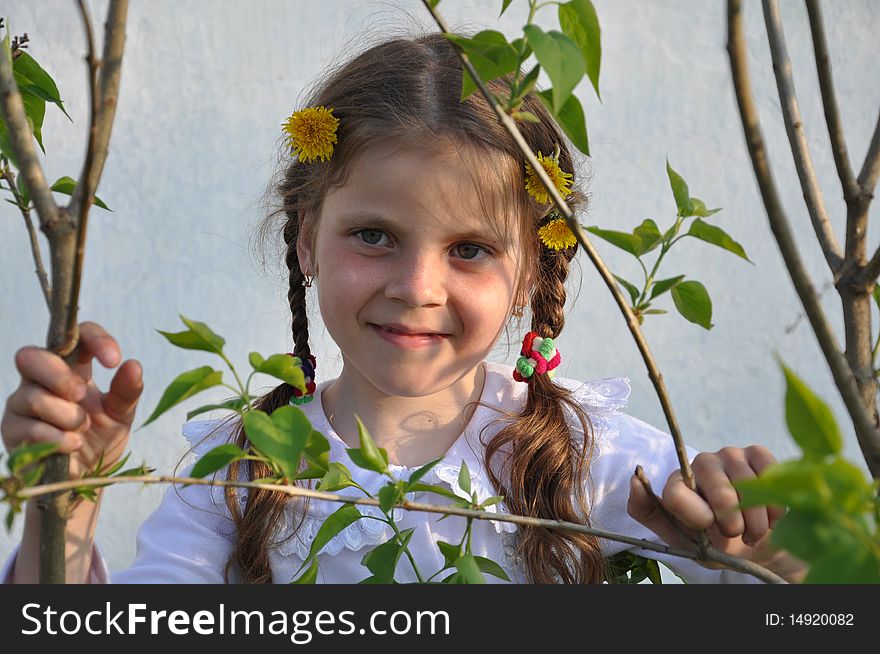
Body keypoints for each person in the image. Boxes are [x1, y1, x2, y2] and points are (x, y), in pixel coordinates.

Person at [1, 33, 805, 584]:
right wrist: (64, 503)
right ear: (309, 238)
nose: (418, 286)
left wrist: (770, 564)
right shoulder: (237, 472)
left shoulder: (593, 462)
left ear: (531, 270)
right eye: (376, 235)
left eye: (470, 250)